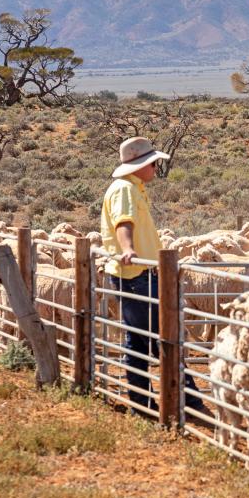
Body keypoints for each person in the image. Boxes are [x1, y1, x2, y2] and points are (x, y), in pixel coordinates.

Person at [101, 136, 204, 415]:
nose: (156, 167)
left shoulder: (131, 188)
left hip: (138, 273)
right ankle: (189, 402)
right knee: (162, 337)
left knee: (137, 339)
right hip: (136, 274)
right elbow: (124, 222)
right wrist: (129, 249)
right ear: (139, 164)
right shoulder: (125, 190)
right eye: (153, 163)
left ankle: (142, 404)